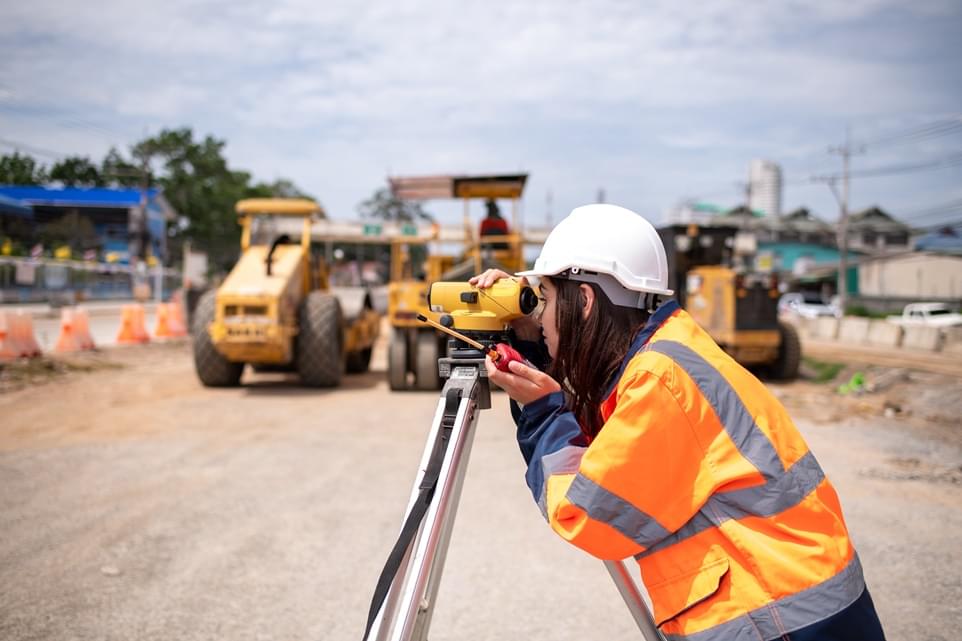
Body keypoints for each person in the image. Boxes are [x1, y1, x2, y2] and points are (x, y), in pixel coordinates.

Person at [469, 204, 885, 641]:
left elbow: (586, 513)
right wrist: (534, 352)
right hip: (797, 606)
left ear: (586, 300)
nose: (539, 315)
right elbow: (611, 450)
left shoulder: (659, 380)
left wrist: (542, 413)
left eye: (545, 301)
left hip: (779, 618)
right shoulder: (668, 350)